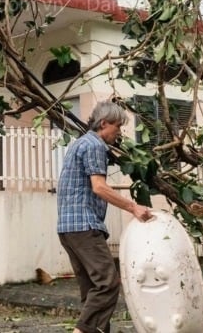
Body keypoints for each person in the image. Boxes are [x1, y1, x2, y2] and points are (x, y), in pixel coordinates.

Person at [56, 101, 153, 333]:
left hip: (68, 227)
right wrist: (133, 207)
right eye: (117, 127)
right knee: (108, 283)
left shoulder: (79, 144)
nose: (119, 132)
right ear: (103, 123)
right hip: (84, 225)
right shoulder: (95, 146)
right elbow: (99, 187)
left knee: (92, 291)